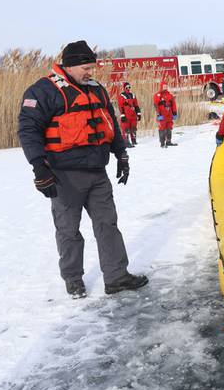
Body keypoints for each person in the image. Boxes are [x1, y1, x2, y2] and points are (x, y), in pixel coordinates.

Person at [17, 40, 148, 299]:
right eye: (86, 67)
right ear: (71, 65)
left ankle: (116, 277)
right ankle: (73, 279)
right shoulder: (43, 91)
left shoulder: (96, 89)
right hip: (64, 175)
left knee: (108, 224)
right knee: (68, 229)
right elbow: (28, 130)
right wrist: (39, 168)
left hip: (97, 172)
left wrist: (121, 154)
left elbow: (110, 122)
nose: (90, 72)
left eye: (92, 67)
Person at [117, 82, 141, 147]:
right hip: (126, 115)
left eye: (129, 87)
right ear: (124, 87)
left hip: (133, 115)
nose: (128, 88)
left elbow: (136, 105)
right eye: (127, 87)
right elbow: (120, 106)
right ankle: (126, 142)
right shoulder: (122, 95)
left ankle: (134, 141)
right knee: (126, 129)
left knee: (133, 128)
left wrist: (138, 113)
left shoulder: (133, 95)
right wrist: (122, 115)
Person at [153, 82, 177, 147]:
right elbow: (156, 105)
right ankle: (162, 143)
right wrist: (158, 114)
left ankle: (168, 141)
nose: (165, 87)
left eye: (166, 86)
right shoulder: (157, 95)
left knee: (169, 127)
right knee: (162, 128)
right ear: (161, 86)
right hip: (162, 115)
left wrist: (174, 113)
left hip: (169, 114)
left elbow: (173, 105)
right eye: (164, 86)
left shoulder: (170, 95)